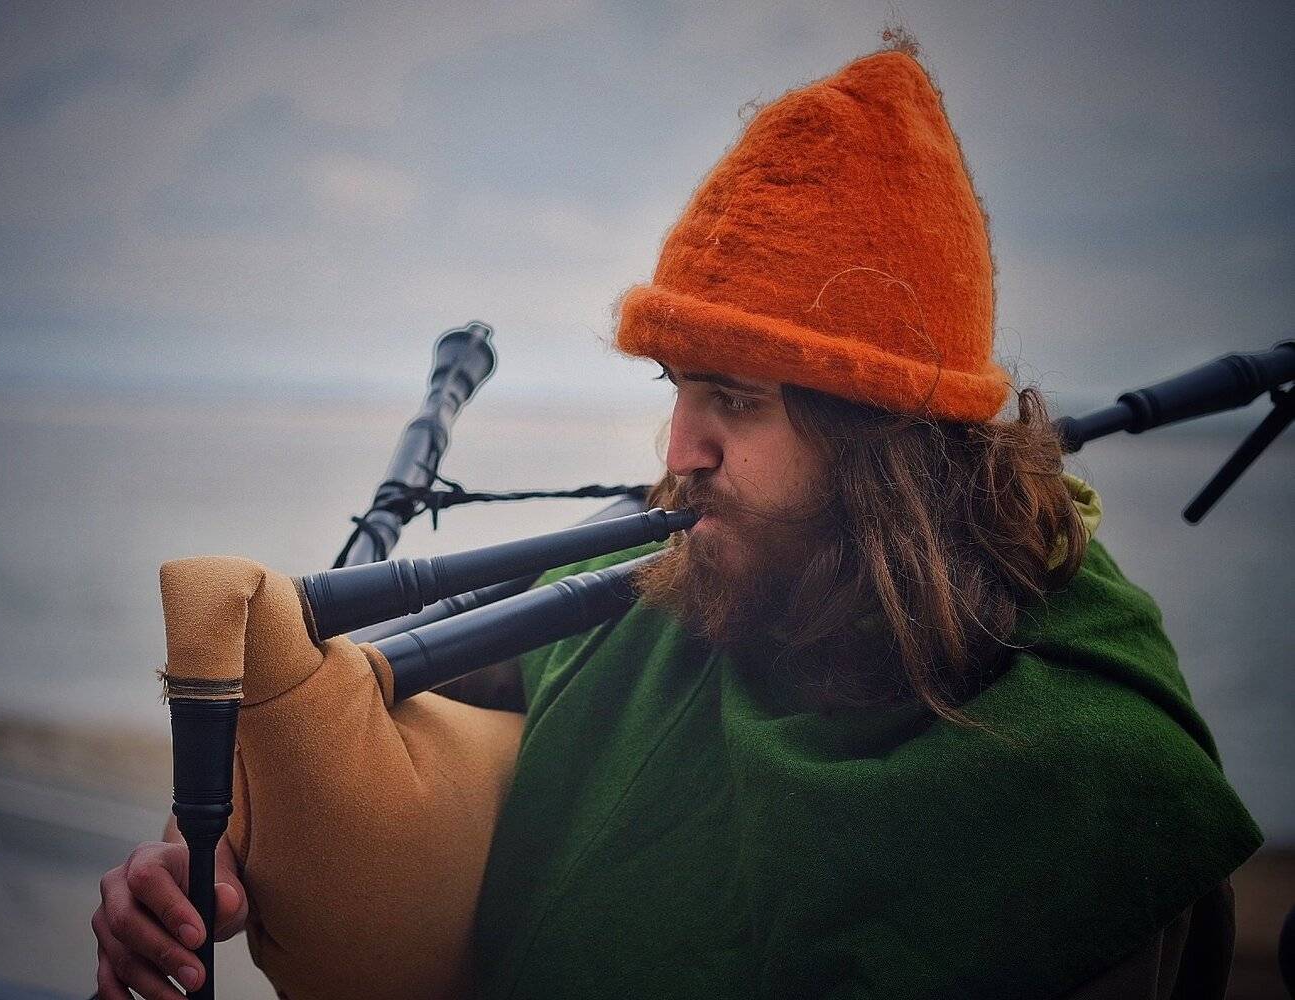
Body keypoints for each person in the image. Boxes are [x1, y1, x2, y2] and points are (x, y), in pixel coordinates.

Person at [92, 41, 1261, 999]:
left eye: (735, 402)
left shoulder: (1093, 780)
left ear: (882, 445)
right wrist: (208, 848)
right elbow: (364, 721)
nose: (679, 452)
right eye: (679, 390)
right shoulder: (648, 608)